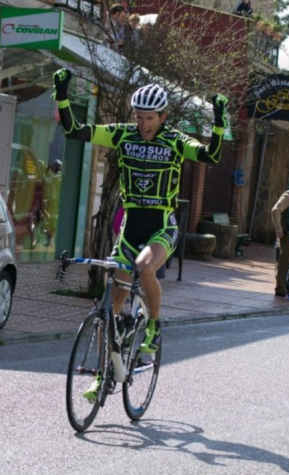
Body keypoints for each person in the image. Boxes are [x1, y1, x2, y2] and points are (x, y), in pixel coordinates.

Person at [53, 68, 228, 400]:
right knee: (112, 309)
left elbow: (212, 155)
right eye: (139, 117)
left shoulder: (175, 140)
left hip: (162, 226)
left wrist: (219, 121)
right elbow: (75, 130)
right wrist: (62, 95)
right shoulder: (123, 134)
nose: (143, 123)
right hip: (130, 226)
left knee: (145, 264)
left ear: (163, 116)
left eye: (149, 118)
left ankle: (153, 325)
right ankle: (106, 373)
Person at [272, 174, 289, 299]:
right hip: (287, 234)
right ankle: (281, 289)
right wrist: (278, 228)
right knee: (285, 262)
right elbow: (275, 210)